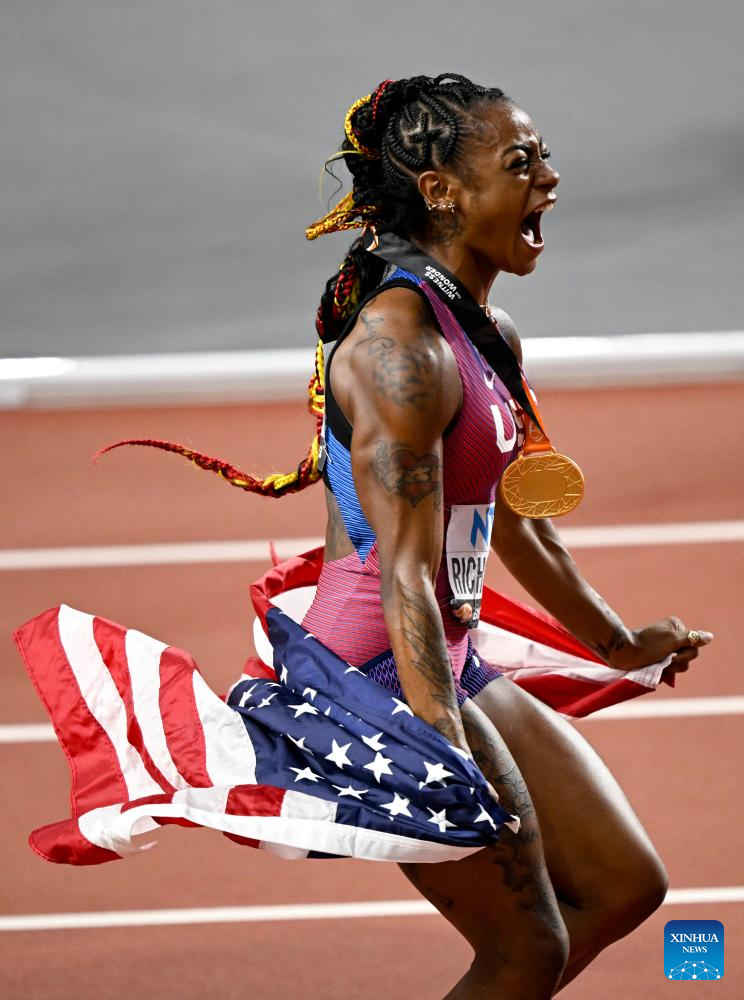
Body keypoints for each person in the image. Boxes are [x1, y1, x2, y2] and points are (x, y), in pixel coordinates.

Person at [16, 75, 713, 999]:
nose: (550, 178)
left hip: (443, 654)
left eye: (544, 157)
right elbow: (403, 574)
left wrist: (618, 644)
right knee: (527, 950)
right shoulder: (399, 353)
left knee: (626, 885)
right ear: (442, 191)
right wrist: (441, 744)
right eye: (522, 163)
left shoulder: (484, 333)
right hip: (378, 672)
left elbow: (510, 518)